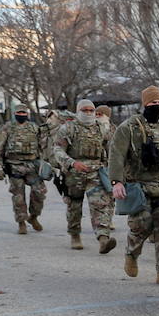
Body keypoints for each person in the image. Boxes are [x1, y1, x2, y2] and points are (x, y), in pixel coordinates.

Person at [109, 86, 159, 285]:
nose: (157, 106)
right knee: (141, 225)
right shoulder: (129, 127)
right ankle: (131, 254)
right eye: (153, 103)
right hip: (138, 186)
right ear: (145, 104)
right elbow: (116, 154)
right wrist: (117, 182)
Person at [51, 99, 116, 253]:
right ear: (78, 111)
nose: (88, 113)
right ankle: (75, 235)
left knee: (101, 205)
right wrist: (72, 163)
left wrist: (111, 169)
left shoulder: (101, 128)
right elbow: (58, 150)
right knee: (74, 206)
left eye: (91, 110)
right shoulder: (68, 128)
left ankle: (103, 239)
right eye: (85, 110)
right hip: (74, 174)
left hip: (96, 173)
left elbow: (110, 149)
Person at [0, 107, 48, 234]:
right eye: (19, 113)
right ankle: (21, 222)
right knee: (18, 197)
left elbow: (44, 146)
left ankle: (33, 217)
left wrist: (49, 164)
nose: (21, 115)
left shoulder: (34, 128)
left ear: (27, 114)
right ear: (15, 114)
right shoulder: (7, 128)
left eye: (24, 113)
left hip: (32, 166)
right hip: (14, 166)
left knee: (39, 193)